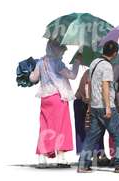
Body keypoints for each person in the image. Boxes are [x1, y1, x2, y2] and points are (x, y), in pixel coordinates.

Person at [77, 40, 119, 173]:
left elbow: (89, 84)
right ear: (114, 53)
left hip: (95, 106)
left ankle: (82, 164)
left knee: (91, 136)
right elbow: (105, 86)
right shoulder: (107, 66)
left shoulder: (94, 63)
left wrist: (90, 104)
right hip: (105, 106)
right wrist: (108, 107)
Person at [29, 40, 81, 168]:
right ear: (56, 50)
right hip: (58, 98)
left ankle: (42, 157)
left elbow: (33, 79)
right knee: (61, 126)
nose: (63, 52)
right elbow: (72, 75)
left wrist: (30, 71)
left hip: (45, 98)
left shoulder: (41, 62)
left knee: (45, 126)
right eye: (61, 50)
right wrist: (77, 62)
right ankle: (61, 157)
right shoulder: (58, 63)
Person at [73, 69, 110, 166]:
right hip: (86, 103)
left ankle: (92, 155)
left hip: (83, 102)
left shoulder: (90, 72)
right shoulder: (94, 73)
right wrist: (89, 105)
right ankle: (94, 155)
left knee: (87, 129)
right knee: (94, 128)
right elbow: (87, 91)